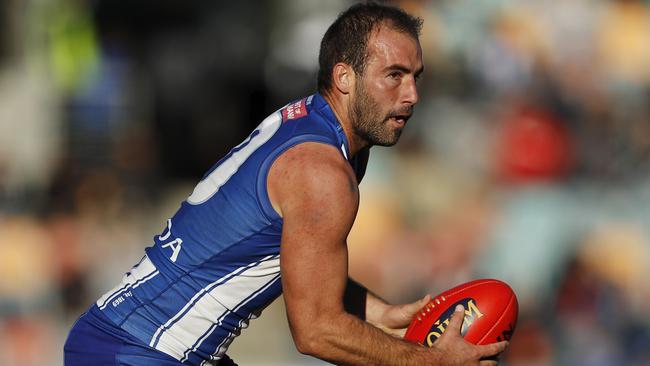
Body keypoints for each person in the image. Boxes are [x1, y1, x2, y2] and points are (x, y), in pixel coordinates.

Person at [64, 2, 508, 365]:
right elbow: (315, 332)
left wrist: (380, 312)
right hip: (138, 352)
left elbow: (300, 259)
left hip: (129, 342)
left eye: (416, 77)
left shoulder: (321, 129)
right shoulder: (322, 172)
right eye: (394, 75)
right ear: (344, 78)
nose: (411, 94)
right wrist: (432, 361)